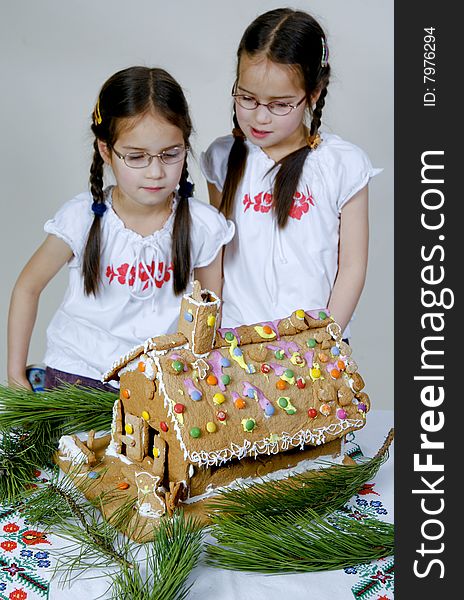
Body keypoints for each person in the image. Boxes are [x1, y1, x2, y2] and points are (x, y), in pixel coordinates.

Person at [7, 66, 234, 390]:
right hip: (75, 375)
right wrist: (16, 374)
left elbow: (210, 314)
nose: (155, 172)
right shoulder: (83, 217)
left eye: (170, 154)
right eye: (136, 157)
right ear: (106, 151)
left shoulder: (203, 226)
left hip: (156, 383)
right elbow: (28, 287)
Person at [200, 8, 380, 336]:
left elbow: (352, 267)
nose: (260, 117)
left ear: (313, 93)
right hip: (236, 344)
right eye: (247, 98)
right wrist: (211, 335)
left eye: (280, 104)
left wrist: (326, 341)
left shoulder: (343, 165)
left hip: (317, 348)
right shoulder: (223, 158)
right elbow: (216, 257)